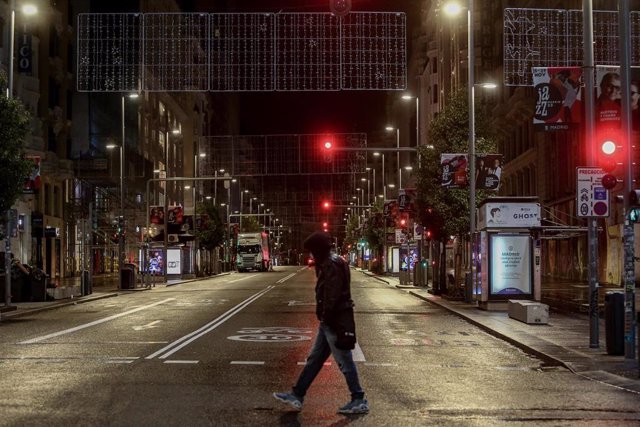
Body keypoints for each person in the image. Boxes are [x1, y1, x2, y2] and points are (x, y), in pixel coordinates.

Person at [273, 231, 368, 415]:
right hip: (329, 322)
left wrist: (326, 316)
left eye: (311, 251)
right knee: (315, 360)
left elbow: (331, 295)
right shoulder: (331, 262)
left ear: (318, 250)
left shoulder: (331, 265)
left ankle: (358, 399)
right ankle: (297, 394)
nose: (310, 255)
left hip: (334, 320)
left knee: (344, 360)